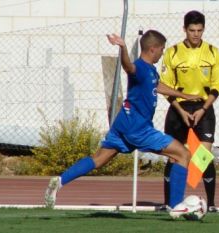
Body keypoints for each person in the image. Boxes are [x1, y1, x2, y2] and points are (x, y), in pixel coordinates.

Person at [44, 30, 201, 218]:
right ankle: (176, 207)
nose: (162, 53)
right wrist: (123, 47)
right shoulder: (140, 67)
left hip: (123, 124)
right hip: (139, 128)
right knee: (183, 154)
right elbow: (128, 67)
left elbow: (157, 86)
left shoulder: (150, 70)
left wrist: (184, 95)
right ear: (153, 49)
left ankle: (60, 181)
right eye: (162, 49)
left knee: (99, 159)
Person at [159, 10, 219, 212]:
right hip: (178, 109)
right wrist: (180, 109)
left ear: (203, 29)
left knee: (202, 158)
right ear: (184, 29)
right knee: (174, 157)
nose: (196, 34)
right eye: (192, 30)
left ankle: (211, 204)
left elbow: (218, 85)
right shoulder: (172, 52)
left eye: (199, 30)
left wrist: (203, 109)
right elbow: (164, 85)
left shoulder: (213, 52)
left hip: (203, 109)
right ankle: (169, 203)